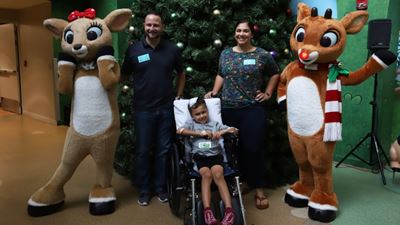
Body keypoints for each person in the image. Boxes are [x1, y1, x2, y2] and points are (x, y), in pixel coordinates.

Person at [205, 20, 280, 210]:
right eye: (238, 30)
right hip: (228, 109)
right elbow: (221, 74)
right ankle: (243, 182)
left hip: (252, 109)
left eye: (245, 31)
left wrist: (268, 93)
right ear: (235, 33)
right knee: (232, 151)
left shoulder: (262, 55)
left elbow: (275, 73)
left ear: (251, 34)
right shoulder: (226, 54)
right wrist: (214, 92)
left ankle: (259, 190)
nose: (241, 34)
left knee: (253, 149)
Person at [121, 11, 186, 206]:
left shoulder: (172, 49)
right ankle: (144, 189)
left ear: (162, 27)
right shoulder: (134, 50)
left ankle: (160, 188)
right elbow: (123, 75)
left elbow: (181, 72)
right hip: (142, 110)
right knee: (142, 151)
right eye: (149, 25)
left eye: (156, 25)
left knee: (163, 150)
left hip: (166, 109)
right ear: (144, 26)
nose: (152, 28)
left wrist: (179, 95)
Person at [177, 97, 238, 225]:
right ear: (192, 116)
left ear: (207, 111)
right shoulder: (191, 124)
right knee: (207, 175)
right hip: (200, 158)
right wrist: (200, 134)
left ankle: (229, 211)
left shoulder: (214, 124)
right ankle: (207, 211)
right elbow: (180, 131)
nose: (201, 116)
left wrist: (221, 132)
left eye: (203, 112)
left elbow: (232, 130)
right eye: (197, 114)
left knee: (218, 174)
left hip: (215, 156)